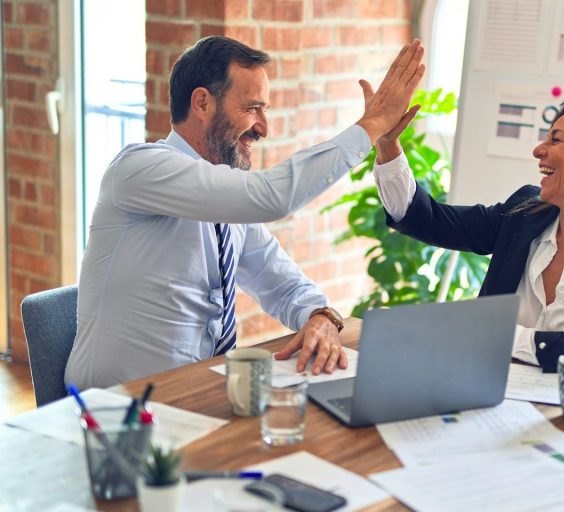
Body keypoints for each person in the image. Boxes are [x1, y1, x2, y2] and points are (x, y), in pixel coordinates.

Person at [65, 36, 424, 388]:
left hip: (197, 395)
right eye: (253, 108)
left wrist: (320, 315)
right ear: (202, 103)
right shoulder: (140, 169)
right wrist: (372, 125)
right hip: (115, 411)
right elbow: (272, 197)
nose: (263, 128)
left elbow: (280, 281)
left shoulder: (225, 202)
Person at [372, 94, 564, 381]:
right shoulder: (523, 215)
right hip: (490, 394)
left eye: (556, 139)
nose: (539, 150)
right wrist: (388, 144)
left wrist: (498, 335)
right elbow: (428, 220)